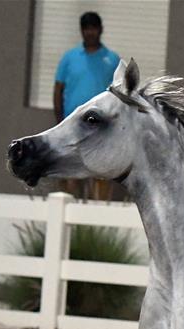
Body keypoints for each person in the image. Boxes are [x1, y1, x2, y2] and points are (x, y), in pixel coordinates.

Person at [54, 11, 120, 200]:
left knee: (100, 176)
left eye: (93, 28)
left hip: (101, 129)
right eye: (86, 28)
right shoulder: (69, 58)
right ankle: (71, 224)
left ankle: (95, 220)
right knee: (70, 176)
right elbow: (58, 88)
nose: (90, 32)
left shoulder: (112, 59)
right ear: (81, 31)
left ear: (100, 30)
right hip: (73, 128)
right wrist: (60, 121)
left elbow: (118, 94)